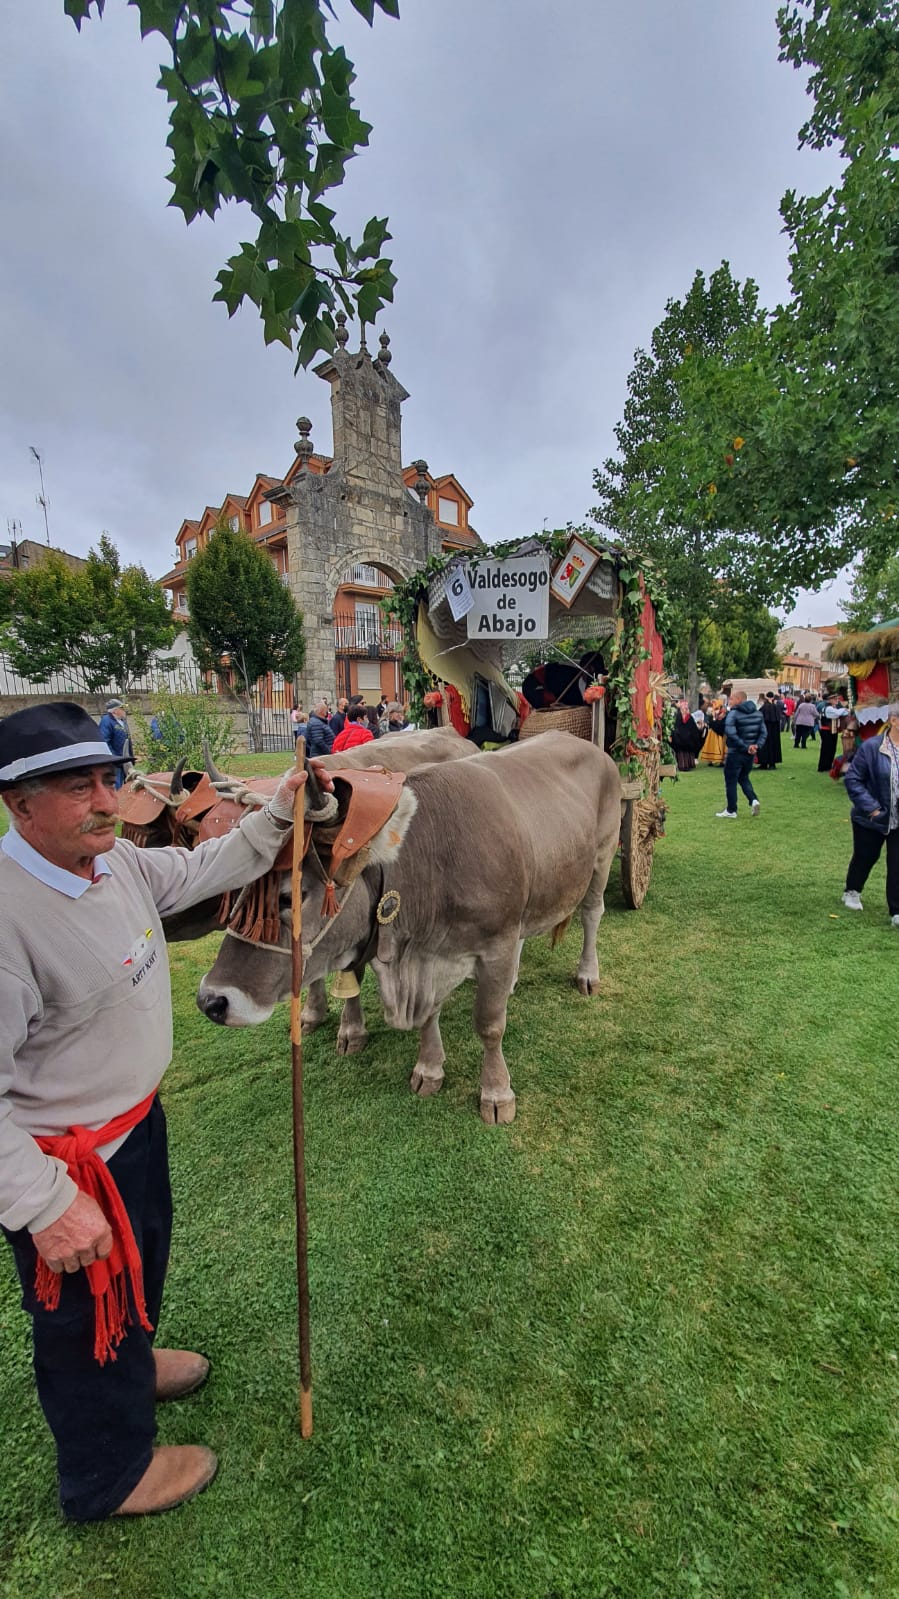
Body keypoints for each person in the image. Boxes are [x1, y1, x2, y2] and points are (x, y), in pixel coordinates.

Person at [0, 701, 333, 1521]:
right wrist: (46, 1205)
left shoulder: (114, 866)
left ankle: (133, 1355)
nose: (107, 801)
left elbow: (204, 868)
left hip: (133, 1127)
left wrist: (280, 810)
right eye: (76, 787)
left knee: (141, 1267)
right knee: (77, 1320)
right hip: (65, 1168)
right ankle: (106, 1476)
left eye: (108, 778)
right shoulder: (9, 920)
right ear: (18, 805)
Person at [841, 702, 899, 925]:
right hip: (872, 817)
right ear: (893, 721)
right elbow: (854, 779)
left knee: (897, 863)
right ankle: (852, 889)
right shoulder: (872, 747)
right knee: (865, 857)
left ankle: (896, 911)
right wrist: (872, 809)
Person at [716, 690, 765, 818]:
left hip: (736, 752)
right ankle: (753, 800)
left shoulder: (734, 714)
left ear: (738, 699)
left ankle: (731, 810)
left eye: (731, 699)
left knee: (731, 780)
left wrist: (745, 746)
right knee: (743, 777)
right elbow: (763, 733)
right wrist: (756, 746)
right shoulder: (758, 713)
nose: (729, 702)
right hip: (750, 754)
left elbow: (730, 732)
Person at [97, 700, 133, 790]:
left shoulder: (122, 721)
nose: (125, 710)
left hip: (124, 760)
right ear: (115, 710)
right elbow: (105, 742)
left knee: (127, 785)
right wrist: (115, 758)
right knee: (116, 786)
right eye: (122, 708)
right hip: (115, 763)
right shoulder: (106, 721)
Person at [670, 698, 703, 771]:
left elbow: (693, 729)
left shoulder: (690, 718)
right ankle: (681, 765)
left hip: (688, 740)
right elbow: (675, 728)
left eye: (686, 708)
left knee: (688, 748)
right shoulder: (677, 717)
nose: (685, 710)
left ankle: (689, 764)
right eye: (684, 708)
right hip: (679, 740)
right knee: (681, 749)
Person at [818, 694, 847, 773]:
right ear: (830, 700)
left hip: (832, 731)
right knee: (827, 749)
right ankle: (824, 766)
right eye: (835, 699)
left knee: (831, 749)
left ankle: (828, 765)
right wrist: (844, 709)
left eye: (837, 699)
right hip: (827, 731)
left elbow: (843, 713)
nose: (837, 700)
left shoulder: (832, 708)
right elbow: (838, 713)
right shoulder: (829, 708)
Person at [757, 693, 783, 769]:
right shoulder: (775, 707)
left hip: (765, 729)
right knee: (773, 745)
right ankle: (772, 763)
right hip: (774, 731)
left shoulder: (764, 707)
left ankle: (764, 763)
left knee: (765, 746)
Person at [699, 699, 727, 767]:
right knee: (711, 746)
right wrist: (714, 718)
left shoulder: (724, 714)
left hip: (720, 733)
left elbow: (723, 723)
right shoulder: (712, 714)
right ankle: (710, 760)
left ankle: (721, 761)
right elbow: (711, 722)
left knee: (721, 746)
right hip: (712, 733)